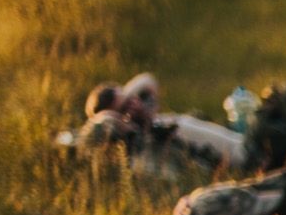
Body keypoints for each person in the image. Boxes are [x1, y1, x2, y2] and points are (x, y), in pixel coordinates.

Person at [76, 73, 254, 177]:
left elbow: (147, 80)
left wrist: (127, 99)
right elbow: (104, 121)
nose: (135, 105)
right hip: (249, 152)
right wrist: (126, 124)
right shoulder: (150, 142)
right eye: (125, 108)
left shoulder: (151, 120)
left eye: (132, 99)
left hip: (241, 137)